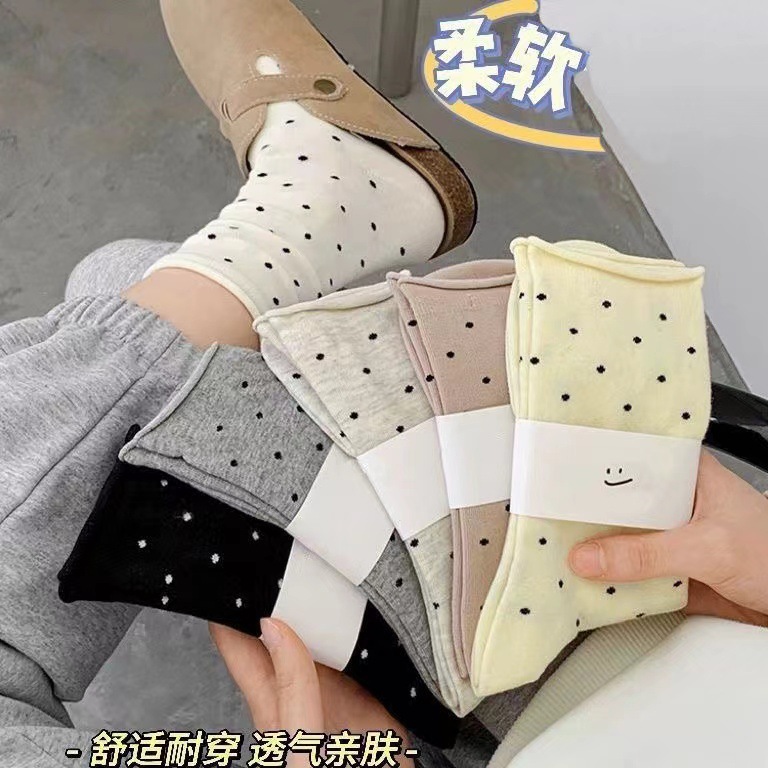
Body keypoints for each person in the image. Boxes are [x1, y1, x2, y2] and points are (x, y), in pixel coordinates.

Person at [0, 1, 766, 767]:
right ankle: (287, 228)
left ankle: (284, 231)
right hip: (647, 618)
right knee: (134, 288)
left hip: (505, 700)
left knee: (130, 294)